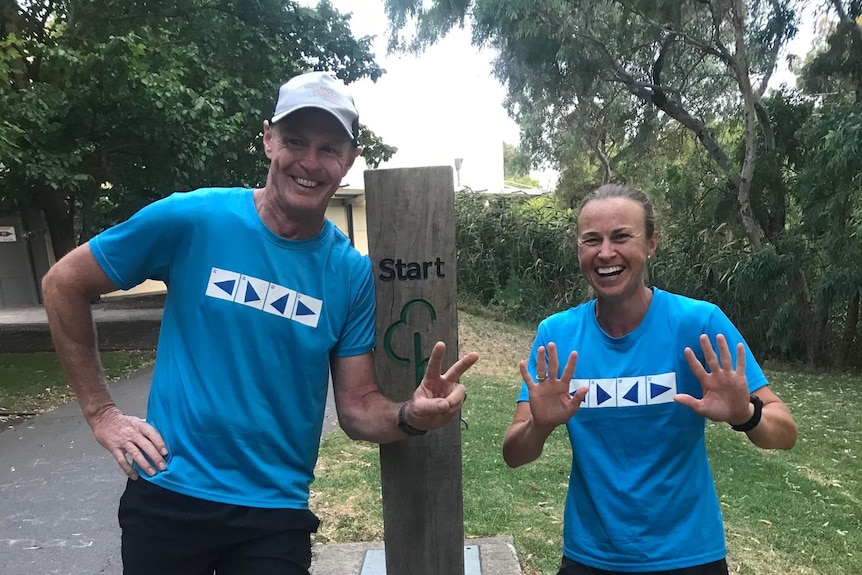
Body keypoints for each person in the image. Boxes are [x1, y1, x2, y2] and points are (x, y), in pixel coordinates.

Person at [41, 70, 478, 575]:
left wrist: (410, 416)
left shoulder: (350, 274)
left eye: (330, 148)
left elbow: (357, 408)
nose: (310, 163)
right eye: (295, 141)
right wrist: (102, 414)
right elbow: (63, 284)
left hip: (274, 513)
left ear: (350, 160)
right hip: (168, 493)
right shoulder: (194, 219)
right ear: (269, 139)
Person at [502, 183, 797, 575]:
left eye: (621, 236)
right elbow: (514, 454)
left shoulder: (699, 323)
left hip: (690, 557)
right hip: (591, 558)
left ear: (651, 243)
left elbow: (785, 432)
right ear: (579, 250)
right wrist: (539, 425)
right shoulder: (557, 335)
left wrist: (745, 413)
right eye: (592, 240)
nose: (606, 252)